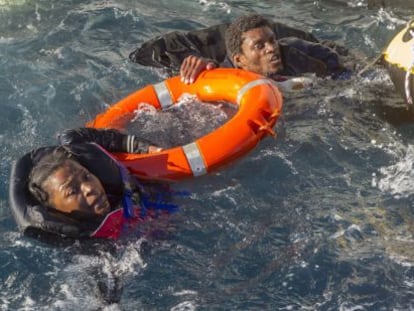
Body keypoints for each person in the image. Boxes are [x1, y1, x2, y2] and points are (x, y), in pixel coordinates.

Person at [9, 127, 173, 239]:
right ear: (54, 210)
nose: (89, 188)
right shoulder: (90, 251)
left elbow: (75, 135)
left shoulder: (115, 185)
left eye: (86, 176)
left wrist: (139, 145)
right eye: (72, 191)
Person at [179, 14, 350, 86]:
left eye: (272, 41)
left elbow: (336, 62)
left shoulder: (293, 50)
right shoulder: (224, 77)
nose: (271, 49)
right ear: (240, 60)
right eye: (259, 46)